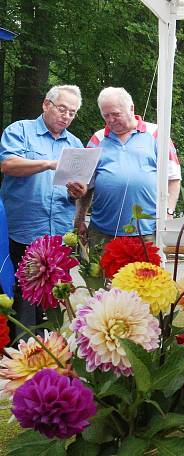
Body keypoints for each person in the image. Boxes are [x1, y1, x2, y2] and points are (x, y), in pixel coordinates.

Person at [0, 84, 87, 341]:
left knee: (51, 300)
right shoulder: (20, 131)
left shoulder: (74, 144)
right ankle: (17, 354)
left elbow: (78, 190)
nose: (67, 116)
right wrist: (49, 164)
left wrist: (77, 192)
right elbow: (8, 164)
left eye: (72, 113)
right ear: (46, 105)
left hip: (57, 234)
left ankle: (48, 353)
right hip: (22, 231)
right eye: (62, 109)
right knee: (19, 297)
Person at [75, 87, 181, 245]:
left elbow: (173, 178)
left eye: (116, 114)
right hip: (102, 232)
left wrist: (169, 212)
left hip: (146, 231)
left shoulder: (157, 134)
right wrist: (80, 219)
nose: (111, 120)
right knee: (100, 271)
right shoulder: (97, 139)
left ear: (131, 108)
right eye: (106, 116)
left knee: (145, 271)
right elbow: (85, 186)